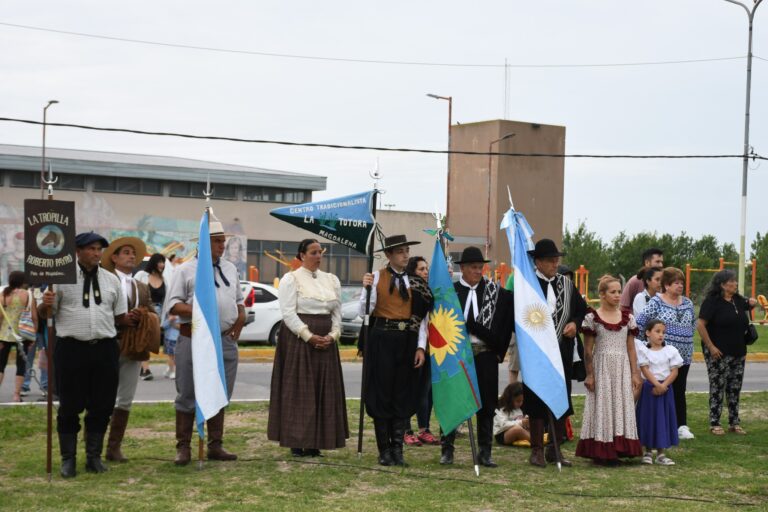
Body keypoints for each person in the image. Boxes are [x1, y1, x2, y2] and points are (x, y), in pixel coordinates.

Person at [39, 232, 131, 478]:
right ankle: (68, 459)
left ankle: (94, 457)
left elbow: (120, 317)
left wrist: (137, 317)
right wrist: (44, 303)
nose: (96, 253)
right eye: (91, 248)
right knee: (69, 406)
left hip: (105, 348)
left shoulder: (111, 281)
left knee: (102, 405)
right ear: (77, 251)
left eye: (99, 249)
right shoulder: (59, 279)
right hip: (71, 348)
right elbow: (45, 314)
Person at [166, 221, 245, 465]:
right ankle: (184, 447)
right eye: (217, 240)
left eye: (223, 240)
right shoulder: (186, 270)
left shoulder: (230, 269)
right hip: (194, 338)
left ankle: (215, 445)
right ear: (203, 242)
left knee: (220, 391)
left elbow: (238, 299)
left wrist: (240, 317)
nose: (223, 245)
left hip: (224, 340)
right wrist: (200, 310)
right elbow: (174, 305)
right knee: (188, 392)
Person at [267, 239, 348, 457]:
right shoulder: (291, 279)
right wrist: (308, 336)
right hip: (298, 339)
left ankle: (316, 442)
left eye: (320, 252)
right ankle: (297, 441)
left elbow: (337, 312)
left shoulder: (331, 279)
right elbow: (288, 312)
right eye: (313, 252)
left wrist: (333, 335)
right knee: (299, 391)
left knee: (323, 390)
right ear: (302, 255)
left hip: (326, 338)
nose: (318, 256)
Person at [360, 234, 432, 467]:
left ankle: (398, 449)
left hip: (407, 340)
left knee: (402, 394)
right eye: (400, 251)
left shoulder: (416, 282)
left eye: (406, 251)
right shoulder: (378, 277)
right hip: (382, 338)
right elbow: (365, 310)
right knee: (382, 394)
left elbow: (420, 318)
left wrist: (421, 347)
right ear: (389, 255)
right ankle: (384, 450)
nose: (405, 255)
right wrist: (367, 288)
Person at [441, 246, 514, 468]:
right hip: (457, 356)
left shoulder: (497, 294)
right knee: (454, 401)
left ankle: (484, 451)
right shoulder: (450, 292)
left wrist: (496, 348)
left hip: (484, 354)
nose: (477, 271)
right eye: (473, 267)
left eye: (480, 267)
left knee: (487, 404)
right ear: (462, 268)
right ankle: (447, 449)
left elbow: (504, 325)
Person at [523, 240, 587, 468]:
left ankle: (555, 449)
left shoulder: (567, 285)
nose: (555, 263)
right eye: (550, 260)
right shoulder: (527, 287)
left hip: (562, 350)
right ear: (537, 262)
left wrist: (574, 324)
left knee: (561, 397)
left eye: (556, 259)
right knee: (537, 400)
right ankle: (537, 450)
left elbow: (582, 311)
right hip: (536, 353)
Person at [101, 237, 161, 463]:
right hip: (108, 343)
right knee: (101, 397)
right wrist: (120, 319)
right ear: (114, 257)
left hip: (134, 346)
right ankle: (94, 445)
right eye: (126, 252)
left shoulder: (141, 286)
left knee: (125, 398)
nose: (131, 256)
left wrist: (143, 315)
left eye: (133, 253)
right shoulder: (104, 281)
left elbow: (154, 312)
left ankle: (113, 447)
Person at [576, 275, 643, 464]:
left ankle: (619, 448)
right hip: (602, 366)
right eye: (612, 292)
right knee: (603, 405)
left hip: (621, 367)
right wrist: (589, 374)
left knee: (620, 404)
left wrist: (635, 373)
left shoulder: (628, 318)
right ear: (602, 295)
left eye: (619, 292)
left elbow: (631, 348)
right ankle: (601, 450)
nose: (617, 295)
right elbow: (588, 350)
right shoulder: (592, 318)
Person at [636, 267, 696, 440]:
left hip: (683, 355)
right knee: (659, 388)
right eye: (676, 283)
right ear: (667, 285)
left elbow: (692, 324)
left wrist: (685, 339)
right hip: (659, 356)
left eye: (682, 283)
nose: (680, 286)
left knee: (679, 389)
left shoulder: (688, 303)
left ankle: (681, 425)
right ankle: (660, 424)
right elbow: (641, 323)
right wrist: (645, 347)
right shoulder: (656, 302)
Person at [697, 269, 757, 436]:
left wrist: (753, 302)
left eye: (735, 281)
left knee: (734, 388)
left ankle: (734, 422)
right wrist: (711, 346)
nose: (736, 284)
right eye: (732, 281)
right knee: (718, 386)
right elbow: (700, 324)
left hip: (739, 351)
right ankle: (715, 422)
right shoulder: (712, 302)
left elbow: (750, 303)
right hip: (718, 352)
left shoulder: (737, 300)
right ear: (723, 284)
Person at [402, 256, 439, 447]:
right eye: (421, 269)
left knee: (425, 390)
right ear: (412, 271)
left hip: (427, 346)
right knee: (409, 388)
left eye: (427, 269)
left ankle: (424, 429)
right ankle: (405, 430)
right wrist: (419, 347)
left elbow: (426, 320)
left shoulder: (427, 292)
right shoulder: (409, 290)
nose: (425, 272)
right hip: (410, 344)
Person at [636, 319, 683, 466]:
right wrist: (656, 384)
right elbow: (644, 369)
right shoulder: (644, 351)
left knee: (663, 419)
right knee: (648, 419)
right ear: (648, 333)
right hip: (649, 389)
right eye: (657, 331)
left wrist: (664, 386)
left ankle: (661, 453)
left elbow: (674, 371)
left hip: (665, 390)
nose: (661, 335)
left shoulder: (671, 351)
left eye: (663, 332)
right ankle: (648, 451)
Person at [0, 271, 38, 402]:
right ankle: (16, 395)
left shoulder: (3, 295)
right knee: (21, 365)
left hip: (4, 335)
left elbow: (0, 317)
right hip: (24, 334)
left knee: (1, 365)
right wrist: (34, 336)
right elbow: (34, 317)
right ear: (22, 281)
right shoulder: (28, 295)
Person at [135, 253, 170, 380]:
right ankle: (146, 369)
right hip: (145, 311)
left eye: (163, 262)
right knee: (145, 339)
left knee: (153, 341)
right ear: (154, 263)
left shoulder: (164, 280)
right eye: (160, 261)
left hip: (160, 312)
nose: (162, 265)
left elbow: (167, 299)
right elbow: (135, 292)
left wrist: (166, 315)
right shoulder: (141, 276)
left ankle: (143, 367)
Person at [620, 248, 664, 313]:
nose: (661, 265)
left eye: (661, 262)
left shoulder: (663, 282)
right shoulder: (635, 281)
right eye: (657, 262)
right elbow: (623, 307)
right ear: (647, 262)